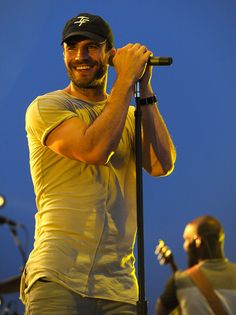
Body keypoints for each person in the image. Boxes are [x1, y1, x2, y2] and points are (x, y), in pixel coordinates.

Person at [20, 12, 176, 315]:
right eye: (72, 47)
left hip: (118, 287)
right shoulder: (48, 107)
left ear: (110, 54)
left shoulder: (129, 116)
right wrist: (126, 80)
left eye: (91, 46)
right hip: (57, 275)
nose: (80, 56)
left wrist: (144, 89)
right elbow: (94, 149)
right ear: (63, 53)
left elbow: (161, 165)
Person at [156, 215, 236, 315]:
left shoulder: (180, 281)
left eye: (186, 239)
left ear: (198, 241)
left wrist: (174, 270)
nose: (184, 246)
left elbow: (161, 311)